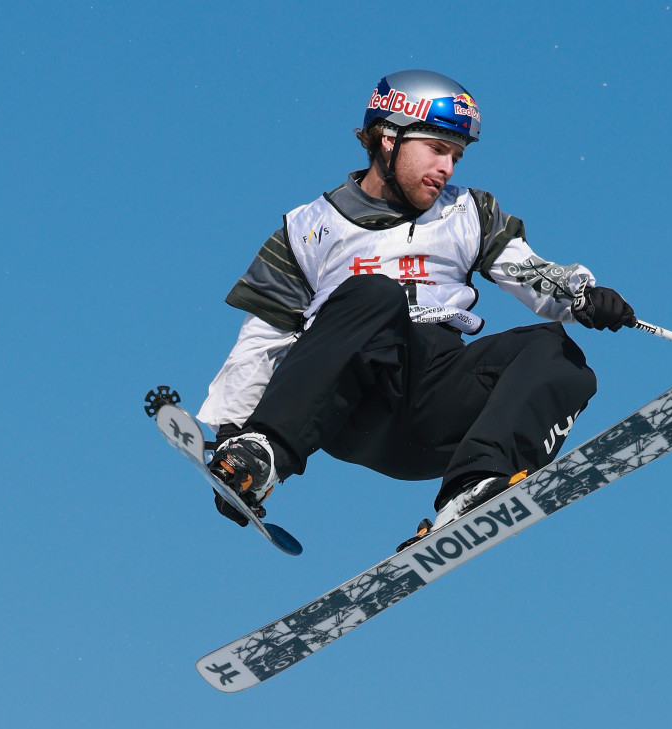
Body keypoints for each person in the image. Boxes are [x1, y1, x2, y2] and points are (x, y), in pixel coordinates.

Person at [197, 70, 635, 546]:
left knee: (556, 352)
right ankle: (267, 457)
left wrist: (581, 295)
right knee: (374, 293)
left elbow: (528, 271)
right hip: (351, 401)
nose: (448, 167)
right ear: (387, 138)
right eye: (436, 148)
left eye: (457, 155)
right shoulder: (308, 227)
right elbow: (262, 339)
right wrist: (234, 438)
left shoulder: (470, 212)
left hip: (435, 401)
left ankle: (475, 487)